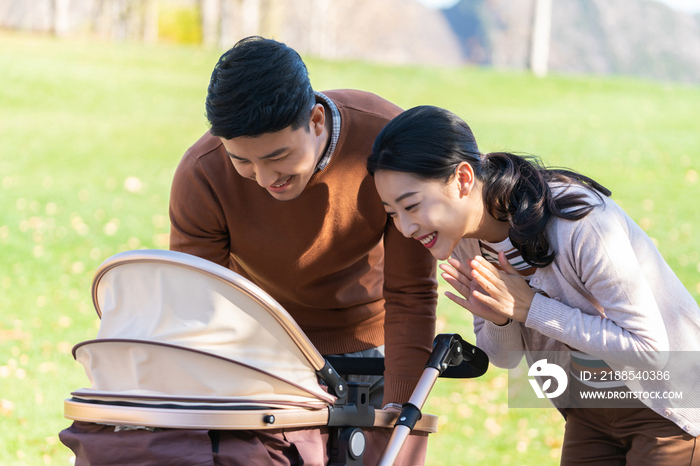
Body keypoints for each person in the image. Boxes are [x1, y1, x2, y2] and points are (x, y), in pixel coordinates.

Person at [367, 105, 700, 465]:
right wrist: (501, 318)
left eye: (411, 206)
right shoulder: (463, 240)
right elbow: (503, 357)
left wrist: (530, 307)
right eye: (392, 213)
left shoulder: (581, 223)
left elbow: (649, 351)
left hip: (669, 407)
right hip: (588, 408)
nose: (405, 228)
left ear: (463, 179)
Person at [167, 37, 437, 464]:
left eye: (278, 156)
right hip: (260, 348)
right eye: (243, 162)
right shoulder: (202, 174)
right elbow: (201, 305)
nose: (263, 177)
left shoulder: (385, 142)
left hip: (369, 344)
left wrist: (399, 409)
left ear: (314, 120)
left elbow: (411, 294)